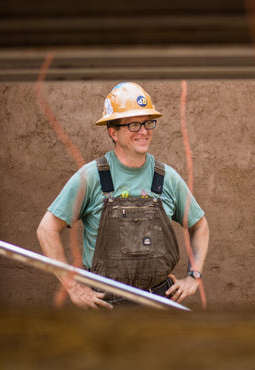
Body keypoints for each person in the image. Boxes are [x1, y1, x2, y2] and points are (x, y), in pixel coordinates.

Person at [37, 82, 209, 309]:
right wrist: (73, 287)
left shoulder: (166, 178)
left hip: (158, 303)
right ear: (113, 132)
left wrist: (193, 276)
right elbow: (46, 229)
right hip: (106, 307)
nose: (144, 131)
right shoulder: (92, 177)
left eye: (148, 122)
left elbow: (200, 226)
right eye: (134, 124)